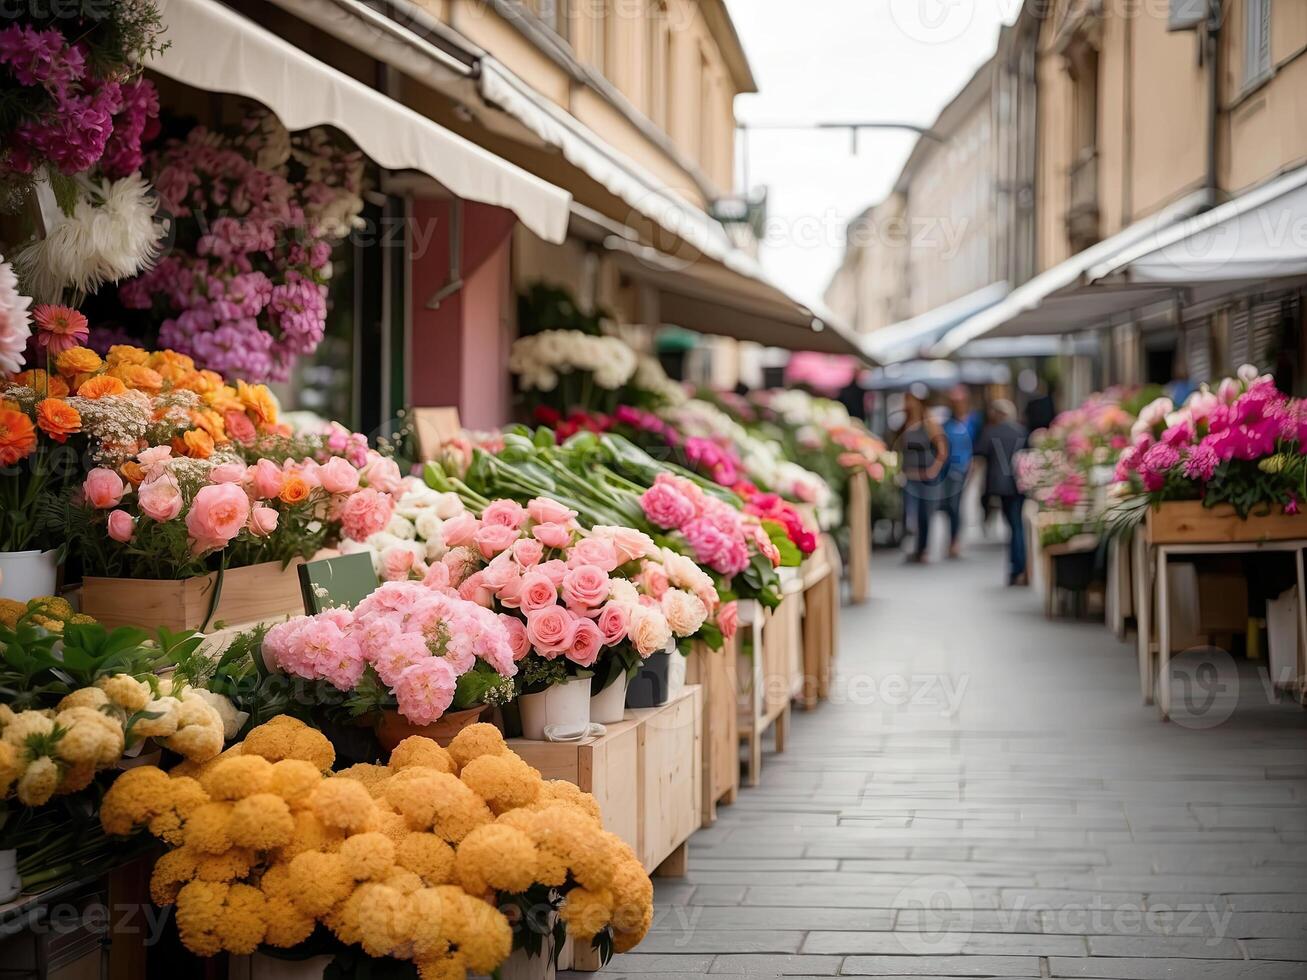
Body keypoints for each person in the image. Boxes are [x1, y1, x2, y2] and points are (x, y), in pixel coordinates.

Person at [976, 399, 1029, 585]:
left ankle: (1018, 567)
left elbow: (980, 455)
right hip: (1019, 484)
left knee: (1014, 526)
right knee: (1017, 525)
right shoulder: (1021, 431)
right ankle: (1020, 567)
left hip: (1000, 484)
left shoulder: (991, 432)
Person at [899, 385, 949, 564]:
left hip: (926, 478)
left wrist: (933, 469)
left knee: (925, 514)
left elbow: (942, 450)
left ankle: (923, 549)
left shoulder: (929, 424)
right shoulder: (904, 424)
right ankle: (915, 547)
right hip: (909, 476)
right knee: (910, 514)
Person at [941, 385, 976, 559]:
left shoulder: (973, 421)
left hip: (962, 469)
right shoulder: (947, 423)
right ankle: (952, 538)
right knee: (949, 505)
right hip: (947, 470)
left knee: (955, 505)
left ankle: (954, 540)